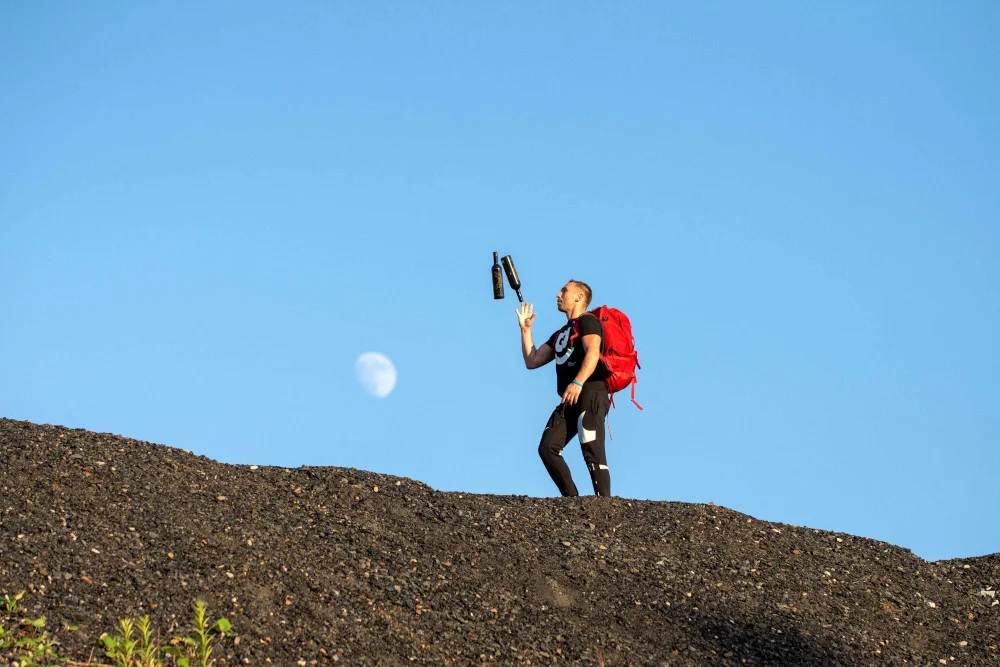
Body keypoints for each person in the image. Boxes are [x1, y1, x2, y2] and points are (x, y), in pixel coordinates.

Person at [515, 280, 611, 497]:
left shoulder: (588, 321)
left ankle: (605, 507)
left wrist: (577, 382)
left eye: (565, 291)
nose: (558, 294)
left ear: (579, 297)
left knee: (591, 447)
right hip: (570, 397)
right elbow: (533, 360)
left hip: (590, 391)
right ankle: (572, 501)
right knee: (548, 447)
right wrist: (526, 330)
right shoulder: (561, 333)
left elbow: (593, 352)